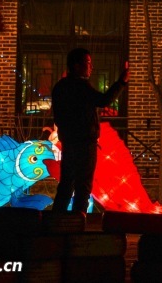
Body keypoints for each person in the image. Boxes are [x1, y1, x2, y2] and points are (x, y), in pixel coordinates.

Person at [51, 47, 129, 212]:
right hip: (84, 144)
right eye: (88, 63)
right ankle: (76, 224)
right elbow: (103, 100)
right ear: (76, 65)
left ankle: (56, 223)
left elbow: (58, 116)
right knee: (83, 188)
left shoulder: (60, 87)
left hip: (69, 143)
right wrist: (121, 81)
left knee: (66, 185)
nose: (91, 67)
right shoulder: (80, 86)